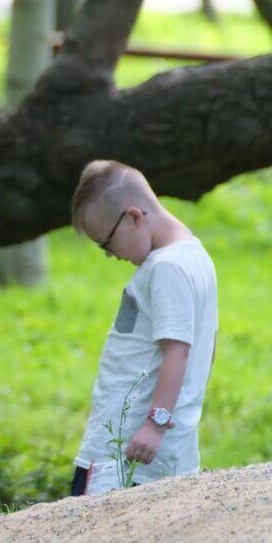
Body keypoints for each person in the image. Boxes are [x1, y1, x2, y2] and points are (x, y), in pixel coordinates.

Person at [68, 160, 218, 497]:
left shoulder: (166, 268)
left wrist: (155, 424)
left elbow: (178, 352)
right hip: (166, 449)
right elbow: (207, 346)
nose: (109, 255)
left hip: (125, 451)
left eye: (106, 243)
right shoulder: (195, 256)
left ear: (134, 217)